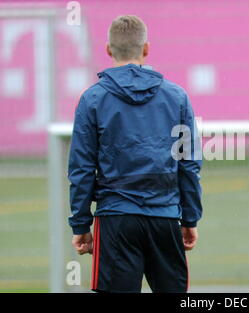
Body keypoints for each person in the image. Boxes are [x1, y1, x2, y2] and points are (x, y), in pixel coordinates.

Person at [68, 15, 202, 293]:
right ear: (146, 49)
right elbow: (189, 164)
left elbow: (81, 168)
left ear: (108, 50)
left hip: (116, 219)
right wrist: (190, 218)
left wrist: (81, 224)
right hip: (165, 217)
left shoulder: (92, 99)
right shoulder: (177, 97)